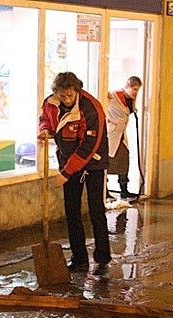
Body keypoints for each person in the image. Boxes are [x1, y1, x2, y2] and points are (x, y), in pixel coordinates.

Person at [38, 72, 111, 274]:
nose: (67, 100)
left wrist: (66, 173)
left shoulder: (91, 108)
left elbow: (88, 146)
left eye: (70, 95)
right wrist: (45, 130)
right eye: (63, 96)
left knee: (96, 210)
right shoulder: (51, 103)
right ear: (57, 93)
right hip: (67, 160)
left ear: (77, 91)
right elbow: (46, 118)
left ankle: (102, 256)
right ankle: (79, 259)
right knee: (72, 212)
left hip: (93, 162)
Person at [106, 76, 142, 201]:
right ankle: (105, 191)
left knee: (124, 160)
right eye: (134, 89)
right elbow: (102, 98)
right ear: (127, 86)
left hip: (121, 134)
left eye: (137, 89)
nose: (136, 92)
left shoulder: (132, 99)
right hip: (111, 134)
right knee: (107, 162)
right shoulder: (114, 96)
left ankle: (124, 190)